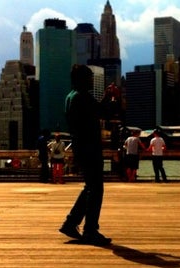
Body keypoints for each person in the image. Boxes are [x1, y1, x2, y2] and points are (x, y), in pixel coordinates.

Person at [59, 64, 111, 246]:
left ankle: (71, 223)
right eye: (89, 77)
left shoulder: (71, 96)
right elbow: (103, 112)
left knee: (90, 187)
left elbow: (96, 111)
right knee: (96, 189)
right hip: (90, 147)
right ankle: (90, 230)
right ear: (82, 79)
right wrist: (111, 97)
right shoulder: (83, 97)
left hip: (80, 146)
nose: (91, 80)